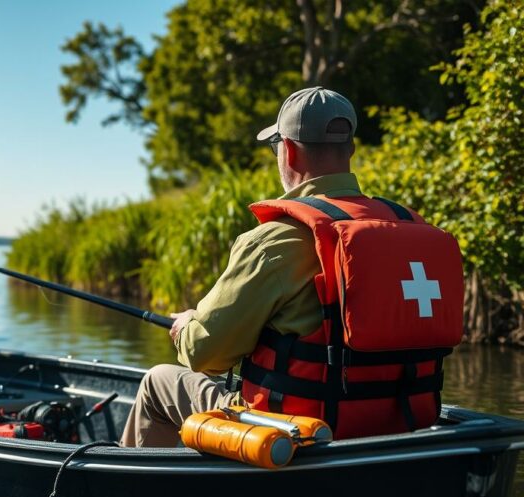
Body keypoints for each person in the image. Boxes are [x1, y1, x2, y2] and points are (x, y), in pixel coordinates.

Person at [120, 87, 463, 447]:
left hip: (295, 434)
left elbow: (206, 355)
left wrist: (187, 326)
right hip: (403, 424)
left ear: (291, 151)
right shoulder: (409, 227)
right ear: (351, 150)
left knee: (158, 381)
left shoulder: (274, 240)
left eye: (276, 147)